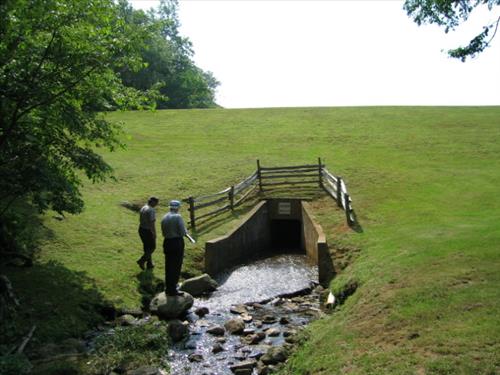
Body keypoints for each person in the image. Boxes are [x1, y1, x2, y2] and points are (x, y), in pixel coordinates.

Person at [161, 200, 190, 296]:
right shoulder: (178, 217)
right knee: (176, 265)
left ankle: (168, 287)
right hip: (176, 242)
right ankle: (173, 288)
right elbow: (182, 232)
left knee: (168, 265)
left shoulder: (164, 217)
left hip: (167, 242)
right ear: (178, 208)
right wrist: (186, 231)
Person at [137, 196, 159, 270]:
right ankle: (142, 260)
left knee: (147, 247)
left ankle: (149, 264)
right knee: (152, 247)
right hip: (147, 231)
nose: (157, 204)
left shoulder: (144, 207)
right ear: (152, 202)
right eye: (156, 203)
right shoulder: (151, 210)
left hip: (141, 229)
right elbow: (152, 223)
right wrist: (154, 233)